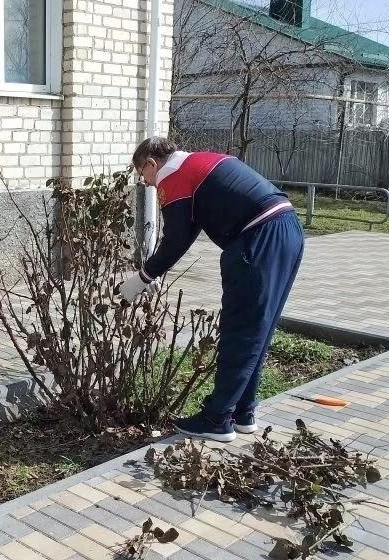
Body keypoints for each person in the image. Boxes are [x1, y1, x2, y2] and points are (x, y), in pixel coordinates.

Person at [119, 137, 304, 443]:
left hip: (257, 240)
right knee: (259, 328)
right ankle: (243, 412)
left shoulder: (173, 173)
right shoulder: (201, 161)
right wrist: (156, 272)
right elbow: (188, 231)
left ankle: (217, 419)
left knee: (240, 329)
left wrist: (142, 277)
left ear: (152, 163)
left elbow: (177, 239)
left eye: (143, 174)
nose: (148, 183)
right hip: (286, 229)